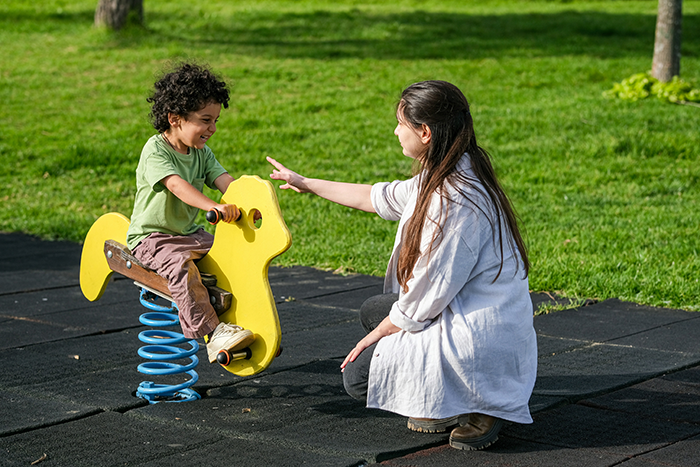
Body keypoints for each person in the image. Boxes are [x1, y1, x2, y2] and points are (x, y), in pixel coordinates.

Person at [267, 80, 537, 451]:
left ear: (424, 132)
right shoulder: (446, 170)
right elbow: (378, 196)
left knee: (360, 378)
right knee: (374, 310)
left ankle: (482, 405)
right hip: (461, 315)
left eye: (401, 124)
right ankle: (444, 401)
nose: (395, 131)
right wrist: (306, 183)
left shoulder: (455, 200)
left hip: (477, 340)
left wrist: (376, 336)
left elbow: (426, 292)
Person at [126, 62, 255, 364]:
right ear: (175, 118)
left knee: (230, 255)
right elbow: (177, 185)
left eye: (216, 121)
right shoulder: (155, 151)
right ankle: (212, 333)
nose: (212, 128)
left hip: (186, 234)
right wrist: (213, 206)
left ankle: (246, 319)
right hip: (152, 238)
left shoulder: (201, 152)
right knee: (180, 267)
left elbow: (225, 182)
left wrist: (247, 202)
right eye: (205, 120)